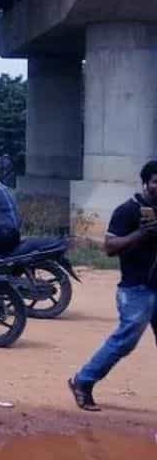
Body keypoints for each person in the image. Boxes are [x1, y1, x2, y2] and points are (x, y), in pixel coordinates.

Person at [69, 160, 157, 412]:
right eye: (156, 181)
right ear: (146, 183)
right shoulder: (127, 210)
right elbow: (109, 247)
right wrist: (141, 234)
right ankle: (82, 382)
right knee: (125, 340)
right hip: (136, 288)